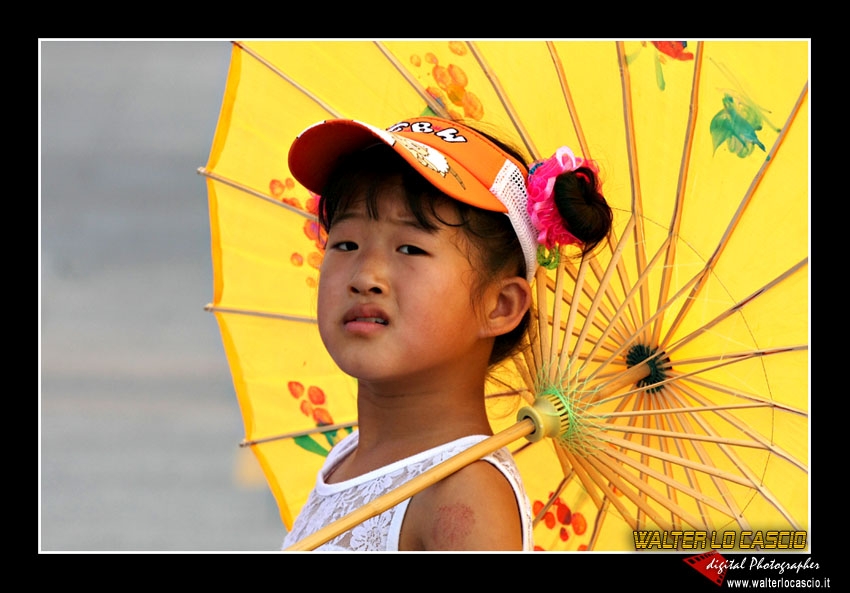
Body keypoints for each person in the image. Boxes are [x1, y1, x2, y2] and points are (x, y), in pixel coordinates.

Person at [281, 116, 612, 551]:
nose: (365, 276)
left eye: (410, 249)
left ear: (500, 306)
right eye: (345, 244)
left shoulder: (465, 495)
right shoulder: (348, 455)